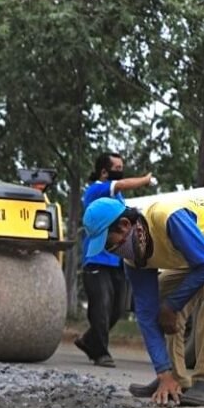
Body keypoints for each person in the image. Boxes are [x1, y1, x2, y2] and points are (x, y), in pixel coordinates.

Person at [83, 197, 204, 406]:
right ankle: (173, 378)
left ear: (125, 226)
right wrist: (163, 372)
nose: (110, 250)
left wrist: (173, 306)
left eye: (108, 242)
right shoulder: (133, 260)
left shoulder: (166, 218)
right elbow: (147, 314)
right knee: (160, 297)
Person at [74, 153, 153, 368]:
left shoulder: (118, 200)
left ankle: (89, 340)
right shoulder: (96, 190)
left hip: (116, 260)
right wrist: (146, 180)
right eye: (117, 166)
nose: (121, 169)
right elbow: (123, 183)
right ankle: (100, 352)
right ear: (104, 172)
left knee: (117, 308)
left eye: (122, 166)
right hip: (96, 259)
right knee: (101, 306)